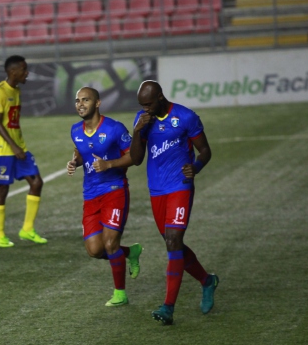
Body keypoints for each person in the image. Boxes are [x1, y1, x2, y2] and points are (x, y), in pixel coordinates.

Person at [130, 80, 218, 325]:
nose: (145, 109)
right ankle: (207, 280)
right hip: (157, 189)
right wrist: (138, 131)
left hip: (180, 185)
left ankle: (168, 307)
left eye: (148, 104)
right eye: (142, 105)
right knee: (172, 243)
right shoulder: (142, 119)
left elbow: (205, 150)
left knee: (173, 240)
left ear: (160, 97)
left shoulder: (186, 117)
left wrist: (196, 167)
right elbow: (136, 160)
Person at [66, 87, 143, 307]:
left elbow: (134, 157)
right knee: (95, 250)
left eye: (86, 100)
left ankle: (120, 293)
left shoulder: (115, 128)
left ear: (98, 103)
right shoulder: (75, 130)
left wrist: (109, 164)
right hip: (90, 195)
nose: (80, 104)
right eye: (77, 100)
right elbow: (82, 153)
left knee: (110, 244)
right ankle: (131, 252)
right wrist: (75, 162)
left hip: (114, 190)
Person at [0, 55, 46, 248]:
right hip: (3, 150)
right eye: (24, 69)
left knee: (36, 183)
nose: (27, 72)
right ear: (13, 71)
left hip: (20, 148)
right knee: (2, 190)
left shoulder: (17, 90)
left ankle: (27, 229)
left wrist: (18, 146)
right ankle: (0, 236)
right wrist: (13, 146)